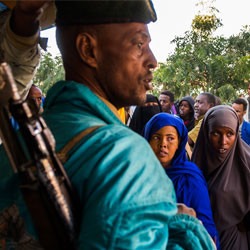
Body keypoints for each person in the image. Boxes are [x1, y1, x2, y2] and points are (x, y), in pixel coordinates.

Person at [0, 1, 215, 249]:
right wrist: (187, 232)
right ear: (88, 49)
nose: (153, 60)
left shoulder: (19, 140)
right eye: (139, 44)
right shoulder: (125, 157)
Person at [143, 113, 220, 249]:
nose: (163, 145)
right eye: (156, 137)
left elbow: (204, 224)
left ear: (179, 142)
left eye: (170, 138)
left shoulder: (189, 177)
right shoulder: (139, 173)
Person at [191, 105, 250, 250]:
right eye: (216, 133)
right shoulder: (194, 167)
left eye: (230, 134)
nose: (223, 141)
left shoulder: (247, 163)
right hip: (201, 242)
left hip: (235, 241)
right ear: (206, 133)